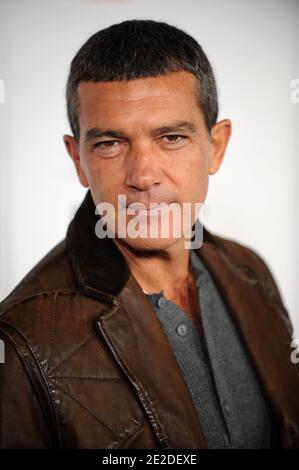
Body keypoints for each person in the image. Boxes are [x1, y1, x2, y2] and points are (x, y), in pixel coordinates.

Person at [0, 19, 298, 449]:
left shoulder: (250, 270)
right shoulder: (22, 339)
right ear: (78, 159)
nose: (142, 175)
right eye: (110, 144)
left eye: (171, 137)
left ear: (216, 146)